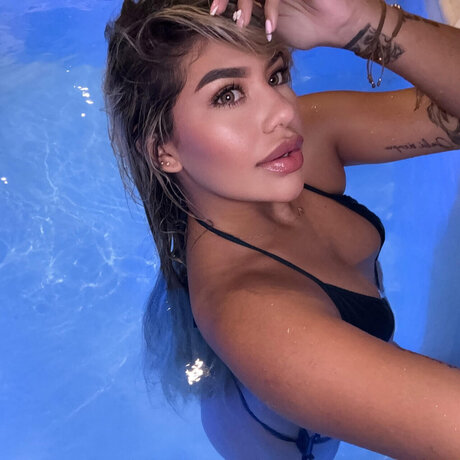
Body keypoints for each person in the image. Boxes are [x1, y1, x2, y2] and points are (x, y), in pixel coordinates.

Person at [103, 0, 460, 457]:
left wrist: (359, 21)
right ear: (163, 151)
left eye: (275, 75)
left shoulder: (304, 143)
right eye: (227, 95)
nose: (282, 113)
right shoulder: (258, 318)